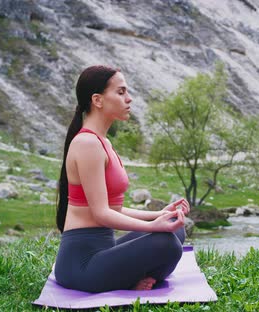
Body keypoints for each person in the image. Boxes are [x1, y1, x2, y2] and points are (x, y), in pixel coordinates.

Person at [54, 65, 190, 293]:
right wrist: (152, 226)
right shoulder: (87, 144)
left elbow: (113, 208)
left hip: (103, 252)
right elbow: (101, 214)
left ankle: (125, 278)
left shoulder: (102, 142)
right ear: (97, 100)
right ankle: (127, 280)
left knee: (175, 231)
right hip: (81, 265)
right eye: (121, 92)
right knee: (164, 242)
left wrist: (159, 215)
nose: (129, 99)